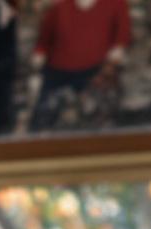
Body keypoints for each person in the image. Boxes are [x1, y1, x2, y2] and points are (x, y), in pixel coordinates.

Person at [28, 0, 131, 131]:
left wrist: (117, 53)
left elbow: (123, 34)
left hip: (95, 70)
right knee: (43, 117)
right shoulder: (59, 6)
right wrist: (39, 54)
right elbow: (45, 37)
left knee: (98, 116)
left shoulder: (115, 4)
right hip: (57, 70)